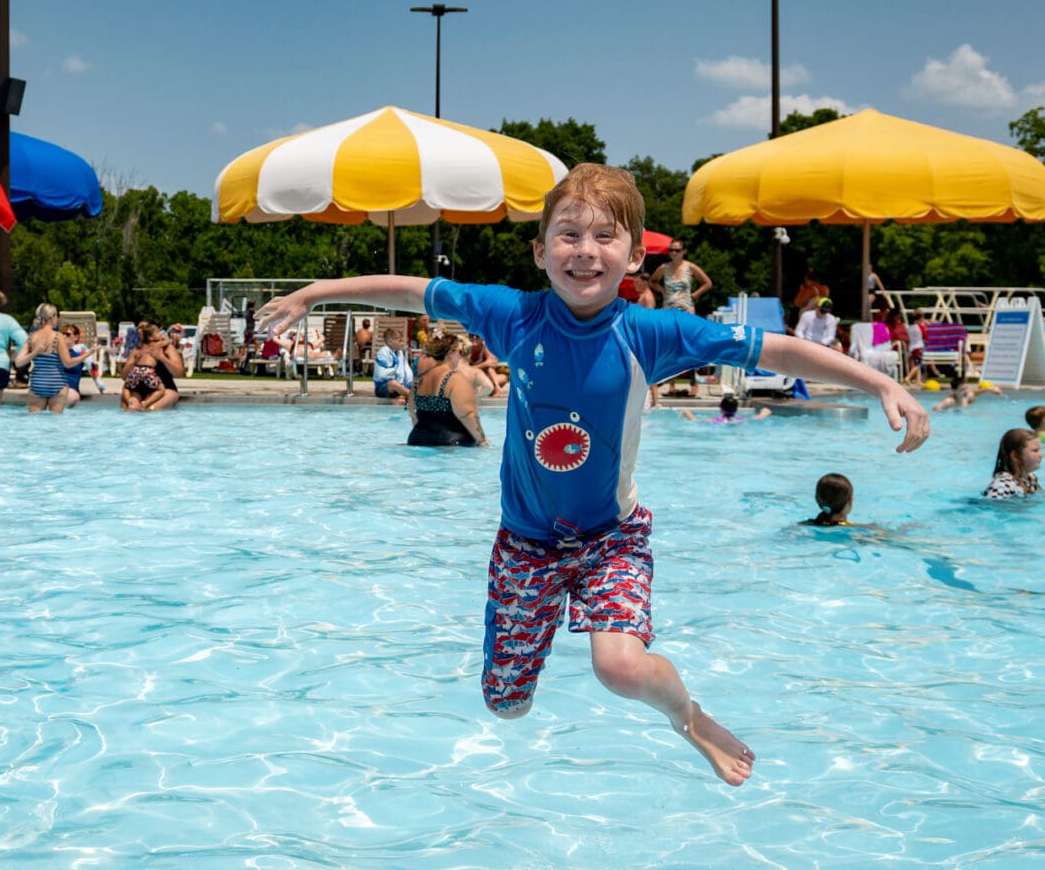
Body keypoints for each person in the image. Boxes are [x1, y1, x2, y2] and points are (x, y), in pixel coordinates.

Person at [256, 162, 929, 787]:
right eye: (568, 234)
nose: (585, 249)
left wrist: (876, 383)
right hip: (526, 545)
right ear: (540, 250)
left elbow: (770, 349)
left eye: (605, 236)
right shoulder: (513, 316)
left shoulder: (652, 333)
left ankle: (688, 718)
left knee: (619, 665)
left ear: (635, 256)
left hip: (612, 538)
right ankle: (541, 675)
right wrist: (317, 293)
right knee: (505, 707)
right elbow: (409, 290)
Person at [408, 332, 487, 447]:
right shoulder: (455, 379)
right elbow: (468, 414)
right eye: (459, 352)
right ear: (450, 353)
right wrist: (482, 440)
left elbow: (413, 414)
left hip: (417, 438)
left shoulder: (418, 380)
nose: (460, 356)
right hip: (451, 443)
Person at [17, 302, 84, 414]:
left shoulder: (32, 337)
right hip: (57, 384)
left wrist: (35, 352)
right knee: (54, 425)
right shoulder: (59, 337)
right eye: (56, 315)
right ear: (52, 316)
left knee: (35, 424)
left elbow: (18, 362)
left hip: (37, 384)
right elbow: (67, 363)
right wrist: (86, 355)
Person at [120, 322, 181, 411]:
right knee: (131, 407)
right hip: (139, 389)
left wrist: (163, 358)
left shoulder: (167, 348)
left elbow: (179, 373)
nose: (141, 330)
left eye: (144, 328)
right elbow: (123, 376)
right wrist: (134, 362)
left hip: (166, 387)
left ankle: (144, 405)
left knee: (151, 409)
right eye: (139, 328)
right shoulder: (136, 350)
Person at [651, 239, 711, 314]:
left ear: (684, 251)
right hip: (668, 310)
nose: (673, 252)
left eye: (677, 250)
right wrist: (662, 290)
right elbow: (652, 282)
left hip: (687, 309)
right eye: (671, 250)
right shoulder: (664, 268)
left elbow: (708, 283)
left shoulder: (691, 267)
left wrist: (694, 295)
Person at [983, 428, 1042, 499]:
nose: (1041, 454)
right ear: (1015, 456)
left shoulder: (1030, 478)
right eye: (1035, 450)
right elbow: (991, 507)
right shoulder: (1003, 484)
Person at [372, 327, 414, 404]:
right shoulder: (383, 352)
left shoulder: (399, 353)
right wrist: (396, 371)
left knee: (402, 398)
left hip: (397, 389)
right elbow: (381, 374)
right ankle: (414, 398)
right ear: (391, 342)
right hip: (383, 388)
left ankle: (395, 400)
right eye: (400, 340)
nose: (402, 342)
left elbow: (406, 371)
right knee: (393, 384)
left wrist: (409, 382)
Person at [678, 392, 770, 422]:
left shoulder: (715, 420)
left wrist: (687, 412)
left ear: (721, 408)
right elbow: (759, 417)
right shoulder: (741, 420)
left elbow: (695, 420)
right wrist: (764, 412)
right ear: (736, 409)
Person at [932, 374, 1002, 411]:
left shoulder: (968, 395)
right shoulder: (950, 401)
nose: (966, 391)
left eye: (967, 388)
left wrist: (991, 389)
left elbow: (978, 391)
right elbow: (936, 408)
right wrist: (940, 406)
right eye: (962, 390)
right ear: (954, 391)